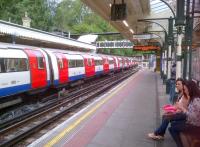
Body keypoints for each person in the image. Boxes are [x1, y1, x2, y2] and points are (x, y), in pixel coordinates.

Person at [168, 81, 200, 147]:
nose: (185, 91)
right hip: (192, 123)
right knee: (173, 124)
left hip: (195, 126)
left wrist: (182, 108)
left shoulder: (196, 101)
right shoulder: (194, 98)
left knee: (172, 128)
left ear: (190, 89)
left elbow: (193, 117)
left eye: (185, 89)